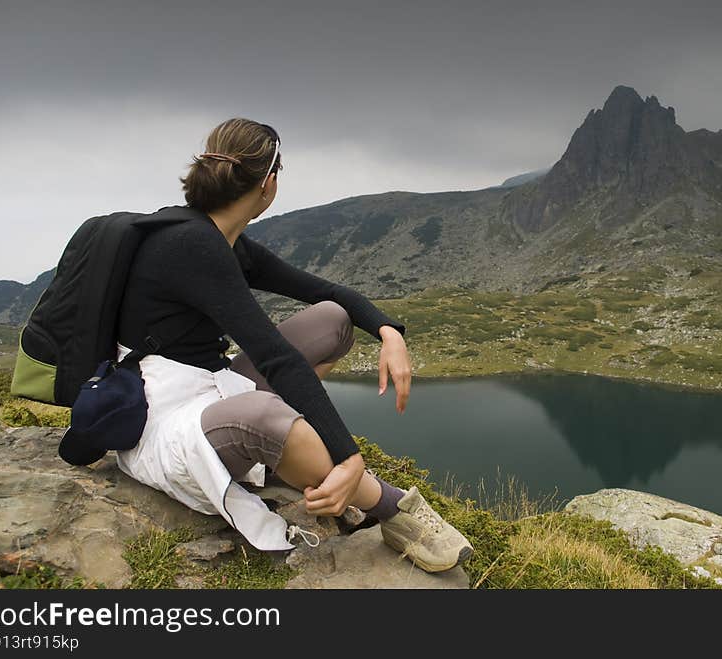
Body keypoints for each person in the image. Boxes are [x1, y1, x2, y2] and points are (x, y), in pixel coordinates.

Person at [114, 117, 473, 573]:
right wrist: (350, 458)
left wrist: (388, 332)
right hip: (162, 421)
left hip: (211, 387)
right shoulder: (191, 245)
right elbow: (275, 357)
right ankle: (389, 505)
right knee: (267, 416)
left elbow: (330, 294)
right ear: (269, 183)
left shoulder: (226, 240)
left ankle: (294, 452)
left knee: (333, 322)